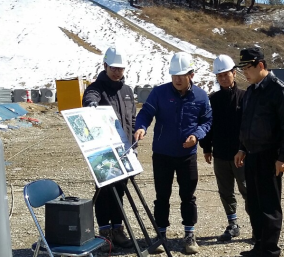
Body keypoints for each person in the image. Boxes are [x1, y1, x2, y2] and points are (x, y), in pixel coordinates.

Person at [134, 52, 212, 255]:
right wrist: (141, 126)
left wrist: (197, 135)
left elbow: (207, 121)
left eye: (182, 75)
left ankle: (189, 235)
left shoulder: (201, 96)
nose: (177, 79)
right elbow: (145, 113)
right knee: (162, 196)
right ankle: (160, 235)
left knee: (188, 196)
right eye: (174, 75)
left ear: (191, 74)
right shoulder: (159, 93)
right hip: (162, 155)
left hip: (187, 156)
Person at [233, 47, 284, 257]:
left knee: (269, 206)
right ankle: (259, 245)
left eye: (248, 68)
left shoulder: (280, 91)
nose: (245, 73)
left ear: (261, 65)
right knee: (254, 203)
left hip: (270, 156)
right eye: (242, 68)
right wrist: (242, 148)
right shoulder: (251, 91)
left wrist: (283, 158)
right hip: (252, 154)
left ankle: (270, 251)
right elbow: (246, 123)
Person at [82, 45, 136, 252]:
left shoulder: (127, 91)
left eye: (120, 68)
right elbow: (90, 99)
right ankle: (105, 233)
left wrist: (134, 144)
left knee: (120, 192)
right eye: (113, 67)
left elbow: (131, 119)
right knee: (104, 192)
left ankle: (118, 230)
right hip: (103, 152)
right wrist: (91, 106)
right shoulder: (96, 88)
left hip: (124, 151)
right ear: (105, 65)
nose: (117, 71)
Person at [199, 55, 248, 242]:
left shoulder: (245, 97)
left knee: (247, 190)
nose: (222, 78)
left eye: (225, 74)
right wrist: (206, 148)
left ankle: (258, 226)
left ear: (234, 73)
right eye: (219, 76)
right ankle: (232, 224)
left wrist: (244, 149)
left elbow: (248, 127)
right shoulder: (213, 99)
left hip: (241, 155)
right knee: (225, 191)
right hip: (220, 154)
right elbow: (208, 124)